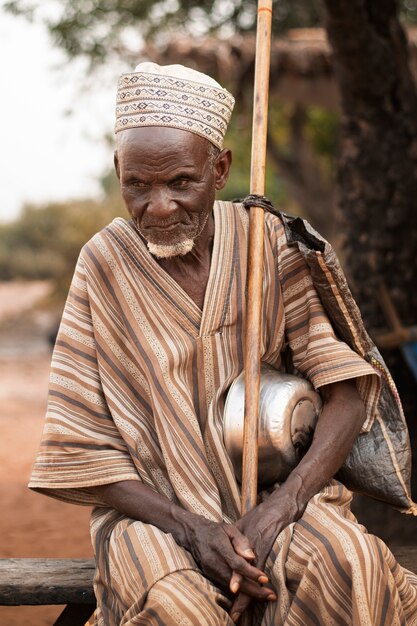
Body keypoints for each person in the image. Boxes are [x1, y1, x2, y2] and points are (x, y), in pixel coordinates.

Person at [29, 63, 417, 626]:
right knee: (178, 608)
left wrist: (280, 509)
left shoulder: (270, 243)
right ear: (118, 171)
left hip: (277, 499)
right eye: (137, 185)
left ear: (221, 168)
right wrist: (193, 528)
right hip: (155, 516)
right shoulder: (103, 264)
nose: (157, 207)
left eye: (180, 182)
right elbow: (81, 446)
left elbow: (348, 394)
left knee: (346, 562)